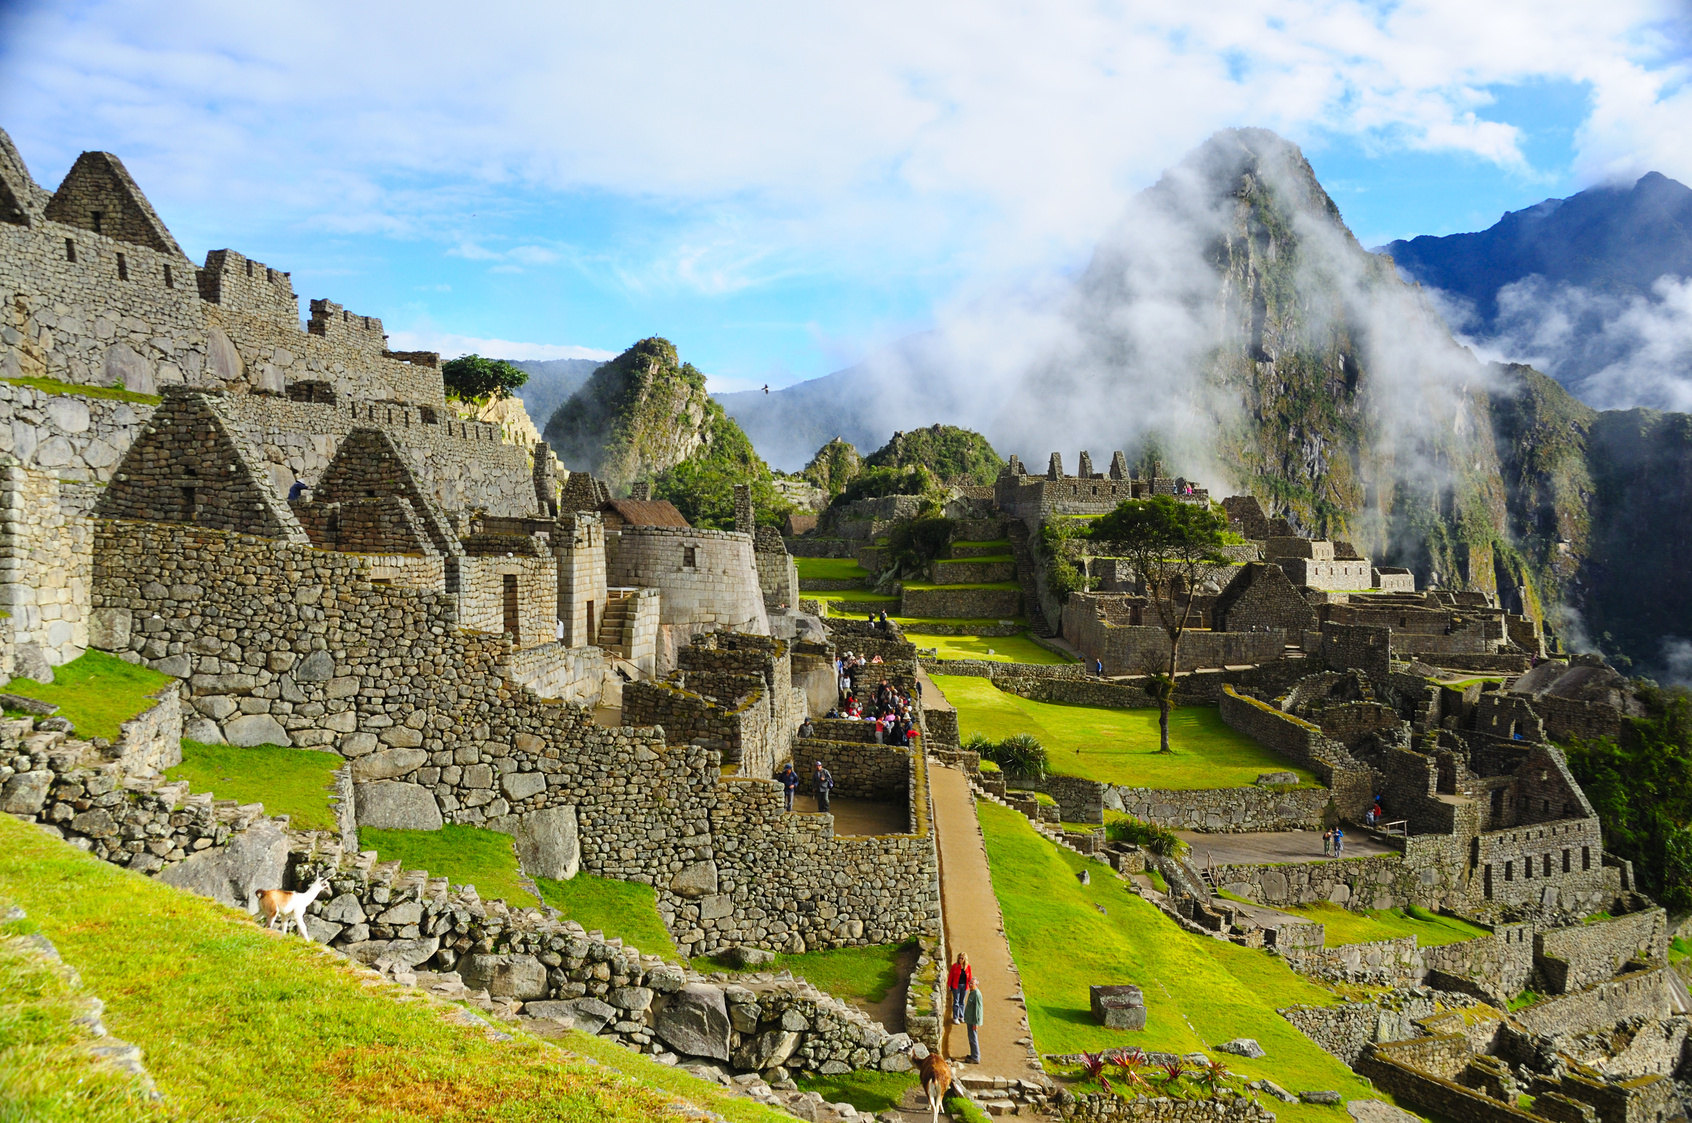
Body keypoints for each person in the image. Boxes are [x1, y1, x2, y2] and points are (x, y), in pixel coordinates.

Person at [962, 977, 984, 1064]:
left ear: (977, 985)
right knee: (971, 1038)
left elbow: (978, 1010)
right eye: (970, 983)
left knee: (973, 1038)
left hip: (973, 1021)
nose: (970, 985)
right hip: (970, 1019)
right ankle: (973, 1054)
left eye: (972, 984)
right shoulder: (972, 993)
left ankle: (975, 1057)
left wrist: (976, 1023)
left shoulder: (977, 994)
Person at [947, 952, 972, 1022]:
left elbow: (970, 977)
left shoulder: (968, 967)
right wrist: (949, 985)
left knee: (962, 1002)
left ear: (965, 959)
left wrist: (972, 985)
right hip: (956, 986)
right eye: (959, 958)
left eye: (962, 958)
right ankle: (955, 1017)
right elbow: (951, 976)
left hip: (965, 986)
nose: (960, 959)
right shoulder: (954, 966)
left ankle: (961, 1016)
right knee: (956, 1001)